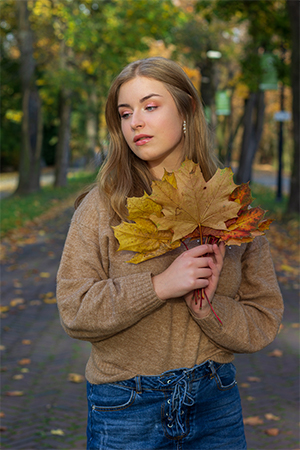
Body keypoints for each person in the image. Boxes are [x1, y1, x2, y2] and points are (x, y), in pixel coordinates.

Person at [56, 57, 283, 450]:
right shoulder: (102, 206)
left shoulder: (230, 208)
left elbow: (263, 318)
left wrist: (209, 310)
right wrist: (160, 285)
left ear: (187, 110)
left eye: (150, 106)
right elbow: (74, 310)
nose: (135, 123)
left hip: (215, 401)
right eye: (125, 113)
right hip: (126, 408)